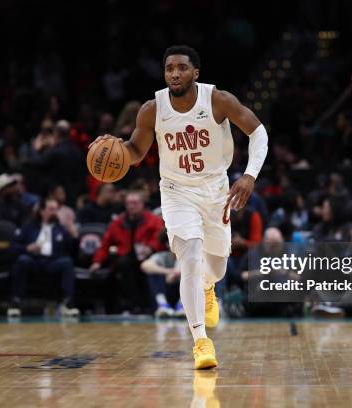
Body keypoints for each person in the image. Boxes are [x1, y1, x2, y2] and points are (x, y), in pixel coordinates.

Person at [92, 45, 268, 369]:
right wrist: (114, 149)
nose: (175, 73)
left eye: (182, 68)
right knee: (189, 255)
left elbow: (259, 132)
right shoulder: (152, 109)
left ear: (195, 73)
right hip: (176, 191)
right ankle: (201, 341)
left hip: (216, 190)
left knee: (215, 268)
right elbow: (135, 151)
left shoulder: (217, 100)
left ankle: (208, 287)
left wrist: (249, 176)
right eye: (169, 68)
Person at [90, 191, 164, 313]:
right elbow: (105, 244)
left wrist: (150, 248)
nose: (131, 206)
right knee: (123, 266)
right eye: (128, 203)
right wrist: (97, 261)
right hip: (125, 258)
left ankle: (150, 306)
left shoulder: (153, 220)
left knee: (148, 267)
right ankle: (133, 306)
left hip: (148, 256)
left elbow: (160, 238)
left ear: (142, 204)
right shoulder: (117, 222)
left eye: (134, 203)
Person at [8, 198, 79, 317]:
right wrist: (27, 248)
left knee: (67, 262)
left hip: (52, 262)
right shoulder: (29, 226)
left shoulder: (61, 228)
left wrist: (75, 236)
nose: (54, 212)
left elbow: (73, 252)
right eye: (51, 209)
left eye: (56, 210)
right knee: (22, 260)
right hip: (34, 261)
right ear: (42, 211)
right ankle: (16, 302)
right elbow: (13, 247)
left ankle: (67, 304)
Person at [140, 229, 185, 318]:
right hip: (166, 291)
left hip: (184, 293)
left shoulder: (190, 256)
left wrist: (178, 272)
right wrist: (170, 271)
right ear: (167, 244)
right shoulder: (162, 256)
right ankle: (163, 305)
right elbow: (145, 265)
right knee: (153, 273)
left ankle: (182, 306)